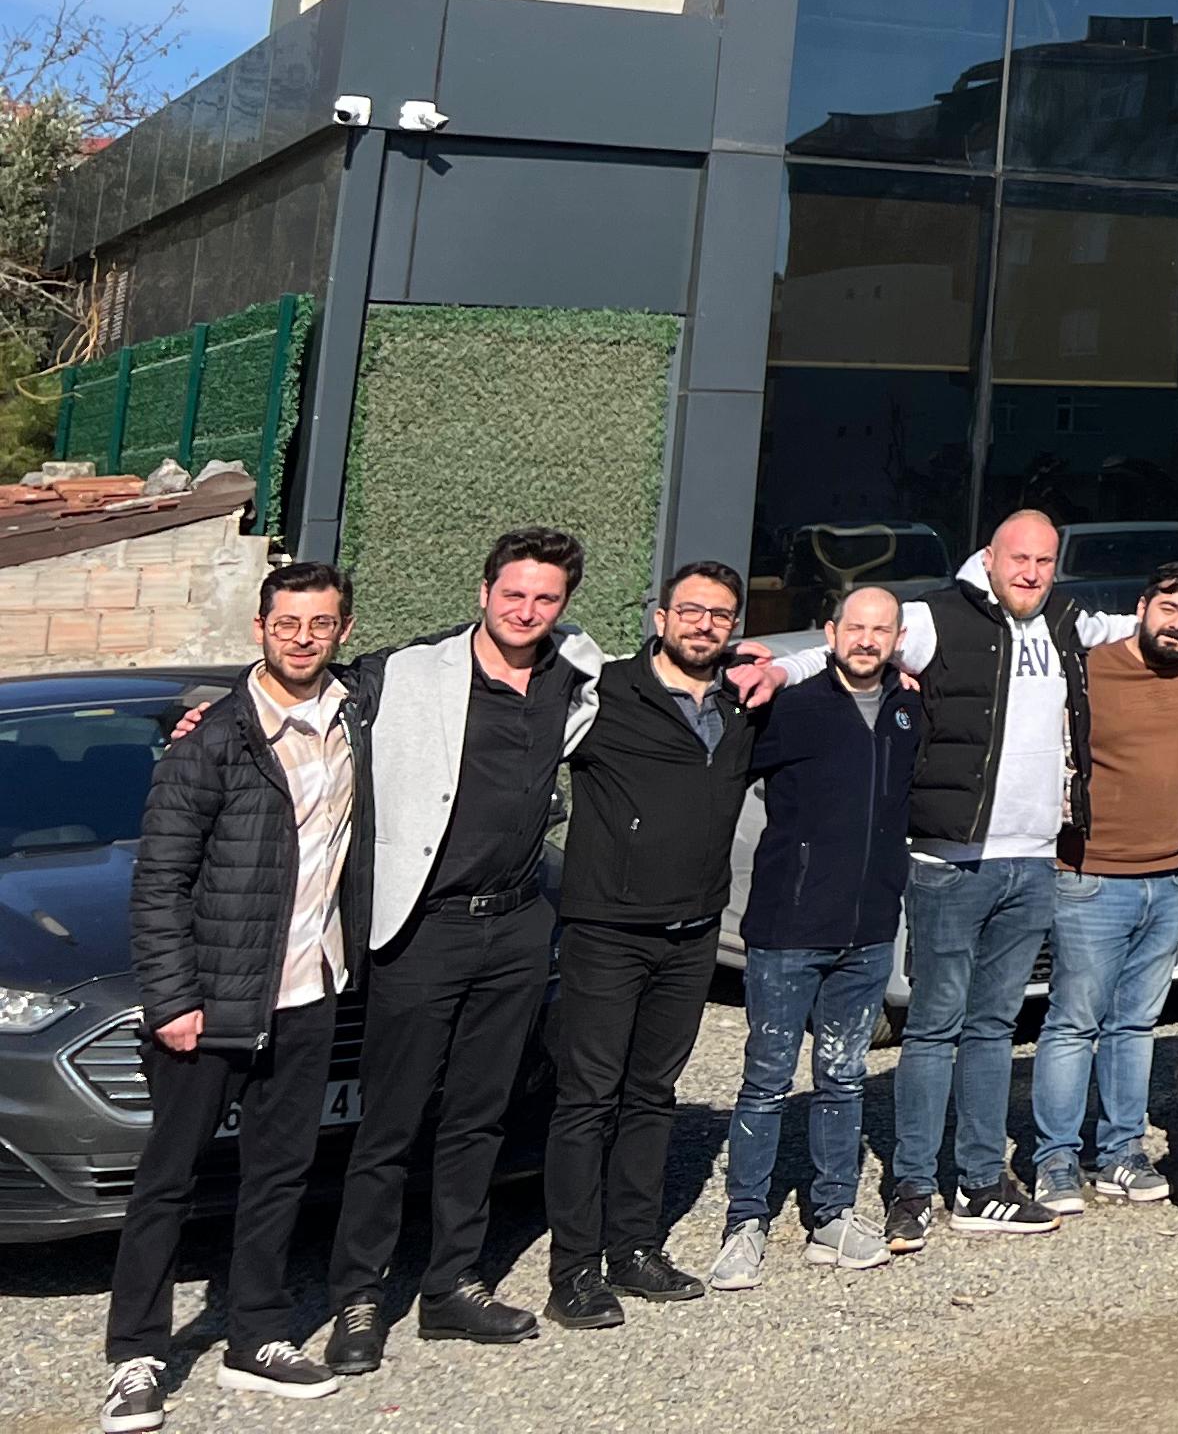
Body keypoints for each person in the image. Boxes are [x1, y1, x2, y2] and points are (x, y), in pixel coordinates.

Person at [742, 507, 1178, 1249]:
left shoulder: (1067, 619)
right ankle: (914, 1187)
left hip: (1032, 859)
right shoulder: (937, 616)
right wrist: (778, 669)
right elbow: (853, 643)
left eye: (1044, 561)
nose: (1031, 573)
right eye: (1019, 559)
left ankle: (981, 1184)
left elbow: (1136, 627)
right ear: (991, 557)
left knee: (994, 1031)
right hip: (950, 862)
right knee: (933, 1029)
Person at [325, 528, 608, 1373]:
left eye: (545, 598)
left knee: (479, 1117)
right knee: (390, 1123)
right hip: (424, 927)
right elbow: (301, 690)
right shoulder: (407, 673)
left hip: (516, 925)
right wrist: (213, 709)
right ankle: (357, 1298)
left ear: (564, 606)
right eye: (513, 593)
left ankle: (451, 1285)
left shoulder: (573, 674)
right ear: (484, 593)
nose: (526, 610)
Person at [102, 562, 359, 1424]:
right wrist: (173, 1000)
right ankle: (136, 1355)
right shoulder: (213, 738)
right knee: (168, 1182)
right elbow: (159, 882)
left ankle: (256, 1336)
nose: (301, 639)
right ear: (260, 627)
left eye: (319, 624)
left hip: (309, 989)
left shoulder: (356, 716)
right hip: (213, 998)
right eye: (287, 623)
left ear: (342, 631)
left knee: (280, 1174)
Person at [543, 559, 763, 1329]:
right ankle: (573, 1272)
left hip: (693, 933)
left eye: (720, 614)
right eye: (691, 611)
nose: (705, 625)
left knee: (652, 1096)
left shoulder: (740, 708)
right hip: (608, 930)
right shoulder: (604, 694)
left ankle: (633, 1248)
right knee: (587, 1100)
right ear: (661, 618)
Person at [712, 583, 917, 1290]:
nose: (867, 640)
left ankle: (833, 1214)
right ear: (831, 633)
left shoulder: (909, 710)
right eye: (855, 627)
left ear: (897, 639)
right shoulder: (792, 706)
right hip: (788, 929)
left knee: (843, 1076)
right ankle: (745, 1222)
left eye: (881, 630)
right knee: (766, 1080)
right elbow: (723, 766)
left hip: (867, 930)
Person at [1031, 565, 1178, 1215]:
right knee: (1072, 1024)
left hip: (1167, 880)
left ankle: (1121, 1153)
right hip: (1090, 877)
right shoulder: (1087, 668)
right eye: (1169, 609)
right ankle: (1055, 1159)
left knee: (1135, 1025)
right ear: (1141, 606)